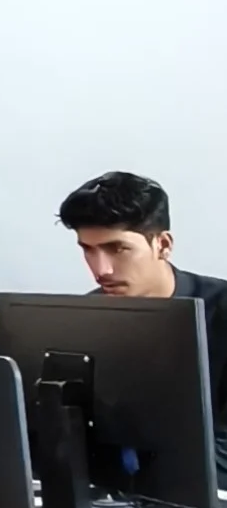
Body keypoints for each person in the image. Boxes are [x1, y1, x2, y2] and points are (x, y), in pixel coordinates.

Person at [60, 171, 227, 480]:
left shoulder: (222, 311)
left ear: (162, 244)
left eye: (117, 249)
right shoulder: (83, 319)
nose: (101, 270)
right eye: (88, 250)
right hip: (109, 495)